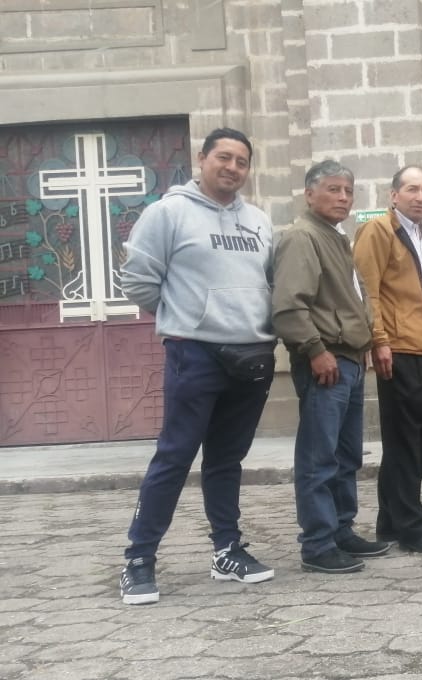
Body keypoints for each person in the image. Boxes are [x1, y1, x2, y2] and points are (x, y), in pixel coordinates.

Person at [117, 128, 276, 604]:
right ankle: (139, 559)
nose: (232, 168)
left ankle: (227, 550)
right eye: (223, 157)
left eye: (241, 161)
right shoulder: (167, 213)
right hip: (195, 354)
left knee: (227, 459)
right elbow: (138, 281)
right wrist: (183, 318)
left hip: (251, 357)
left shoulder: (259, 221)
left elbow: (269, 283)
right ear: (201, 158)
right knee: (175, 456)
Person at [272, 160, 387, 573]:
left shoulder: (336, 238)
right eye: (333, 189)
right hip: (326, 361)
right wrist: (314, 350)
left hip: (350, 360)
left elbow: (353, 297)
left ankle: (341, 530)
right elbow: (289, 306)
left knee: (346, 455)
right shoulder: (302, 237)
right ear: (309, 194)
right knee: (319, 457)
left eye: (348, 191)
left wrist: (367, 342)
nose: (343, 198)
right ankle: (318, 544)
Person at [352, 166, 422, 552]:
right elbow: (368, 290)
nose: (420, 197)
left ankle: (390, 522)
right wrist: (378, 340)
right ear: (393, 195)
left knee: (418, 441)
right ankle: (413, 526)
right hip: (398, 349)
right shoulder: (378, 230)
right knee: (404, 443)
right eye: (412, 189)